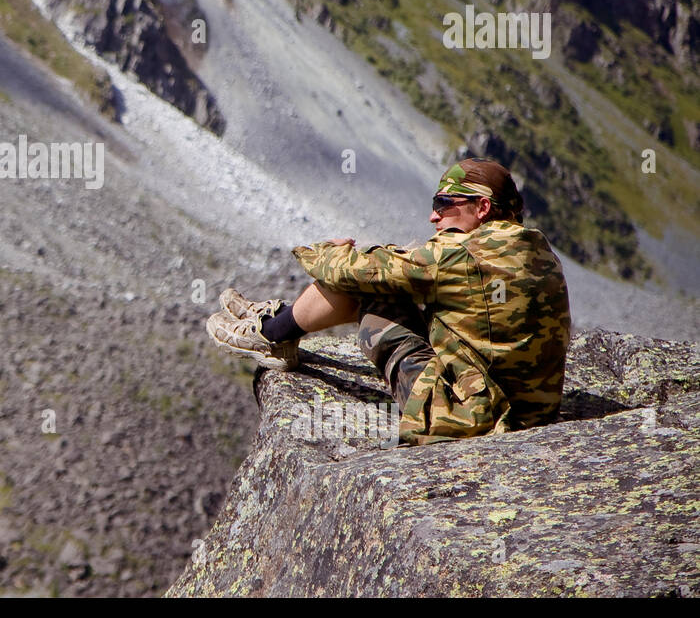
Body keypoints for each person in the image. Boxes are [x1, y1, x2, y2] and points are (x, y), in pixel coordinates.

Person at [206, 158, 571, 445]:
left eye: (444, 204)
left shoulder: (460, 253)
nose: (434, 215)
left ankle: (271, 334)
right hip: (535, 414)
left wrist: (322, 251)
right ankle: (279, 322)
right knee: (388, 284)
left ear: (482, 208)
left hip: (474, 419)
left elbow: (356, 271)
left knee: (369, 290)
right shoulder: (538, 249)